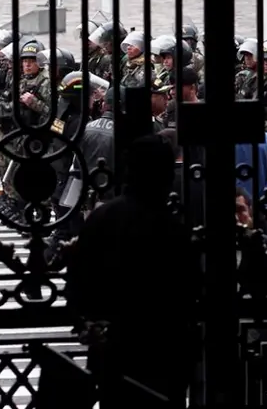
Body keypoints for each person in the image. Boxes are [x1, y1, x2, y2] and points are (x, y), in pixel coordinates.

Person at [66, 136, 198, 408]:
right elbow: (190, 289)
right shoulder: (171, 226)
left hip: (114, 350)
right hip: (163, 352)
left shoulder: (103, 218)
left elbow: (78, 283)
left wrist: (89, 323)